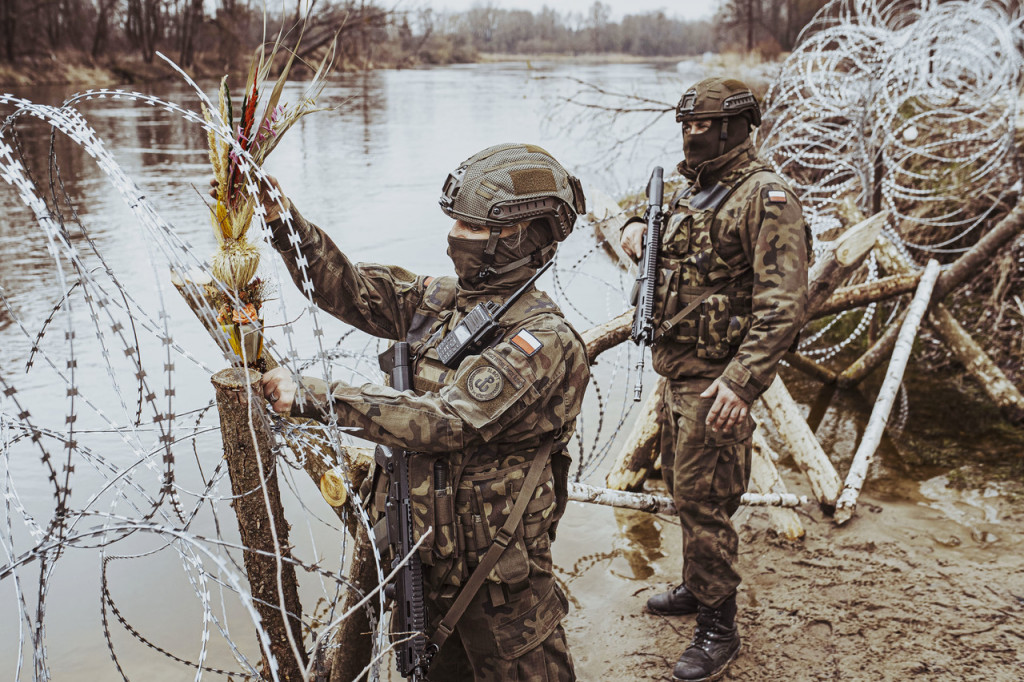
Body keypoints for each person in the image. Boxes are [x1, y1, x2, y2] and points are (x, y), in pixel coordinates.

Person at [252, 143, 590, 681]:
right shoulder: (442, 302)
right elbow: (350, 289)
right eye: (455, 222)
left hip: (499, 588)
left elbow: (444, 420)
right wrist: (282, 221)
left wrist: (317, 396)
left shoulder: (543, 341)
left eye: (470, 227)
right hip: (426, 566)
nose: (454, 235)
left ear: (517, 237)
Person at [620, 77, 810, 682]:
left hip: (717, 382)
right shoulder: (692, 188)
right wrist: (632, 228)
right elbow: (653, 218)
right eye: (685, 125)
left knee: (705, 504)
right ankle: (696, 588)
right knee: (683, 489)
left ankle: (717, 628)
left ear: (734, 128)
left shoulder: (766, 197)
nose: (689, 135)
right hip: (677, 374)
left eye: (700, 126)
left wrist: (740, 383)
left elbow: (783, 306)